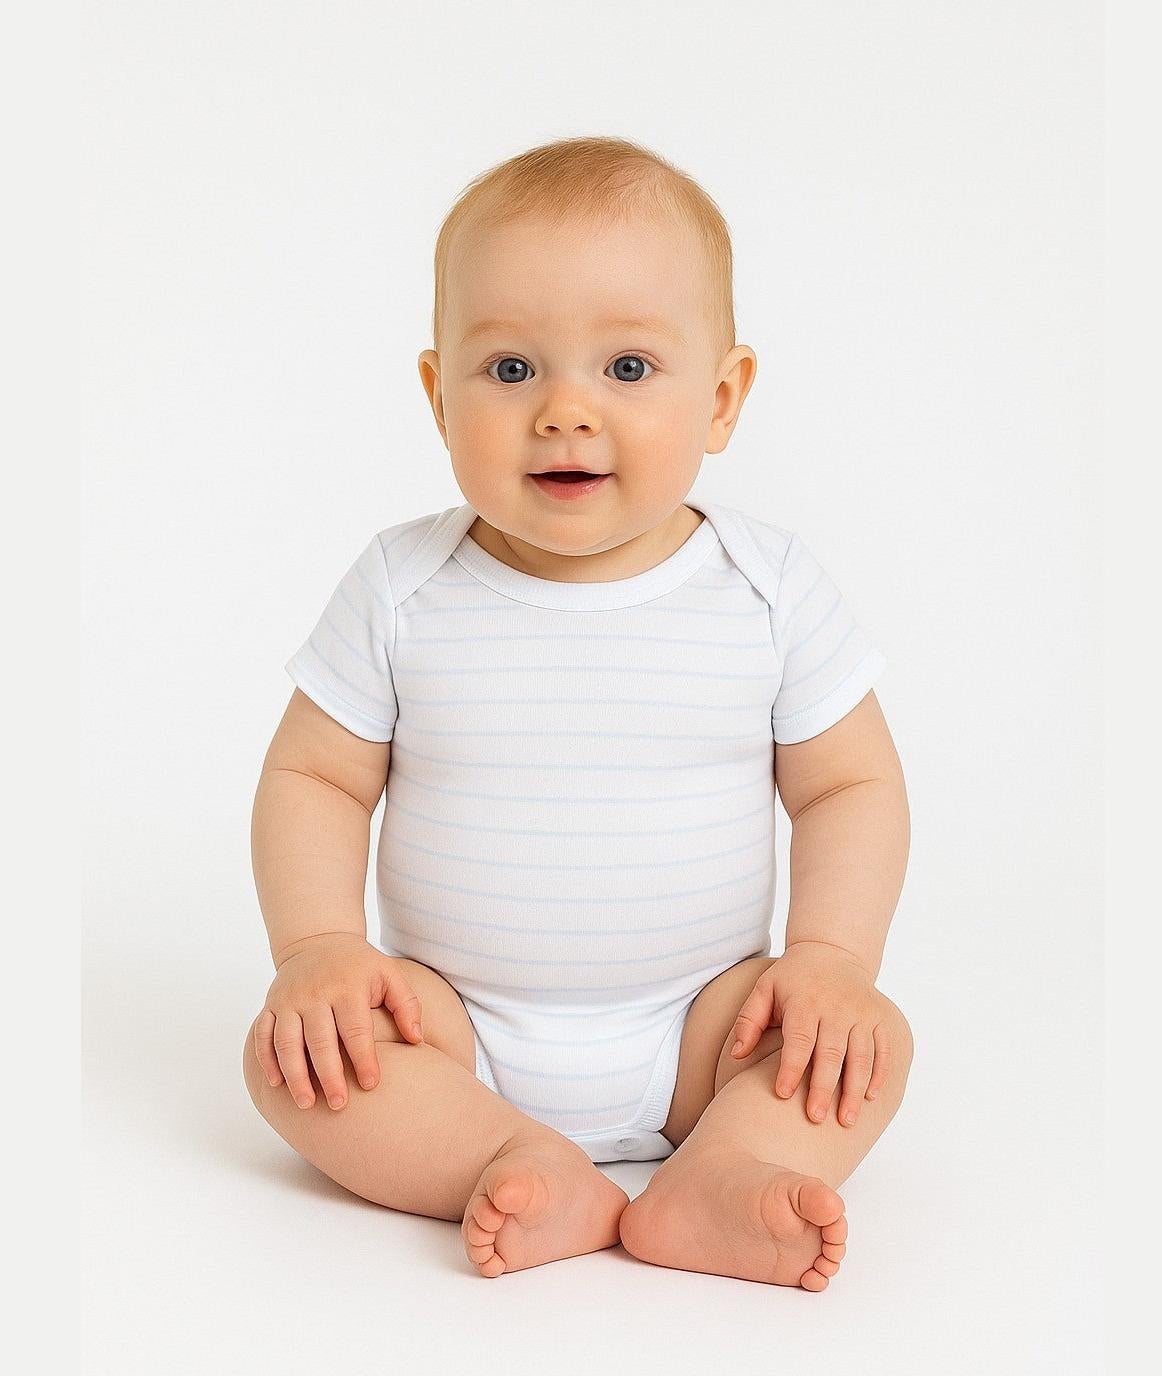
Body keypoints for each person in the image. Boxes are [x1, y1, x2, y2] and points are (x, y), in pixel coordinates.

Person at [243, 135, 913, 1292]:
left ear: (722, 396)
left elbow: (848, 785)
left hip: (707, 1028)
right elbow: (315, 777)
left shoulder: (768, 587)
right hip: (453, 1028)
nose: (564, 411)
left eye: (628, 369)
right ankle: (501, 1155)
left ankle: (724, 1169)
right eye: (509, 371)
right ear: (435, 391)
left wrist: (829, 960)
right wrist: (318, 952)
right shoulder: (401, 585)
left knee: (869, 1043)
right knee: (289, 1059)